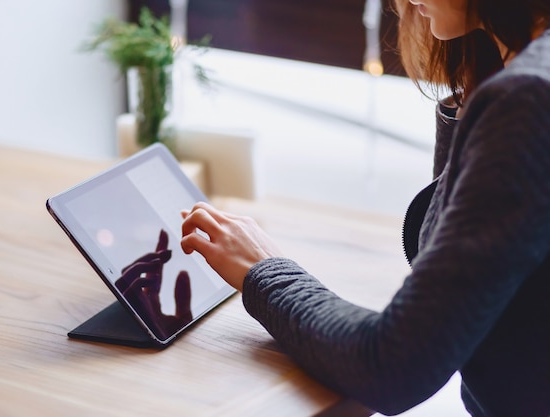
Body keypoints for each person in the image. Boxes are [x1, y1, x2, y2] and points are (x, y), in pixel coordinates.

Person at [180, 0, 550, 415]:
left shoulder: (530, 99)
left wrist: (263, 269)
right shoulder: (519, 75)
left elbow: (393, 365)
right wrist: (476, 87)